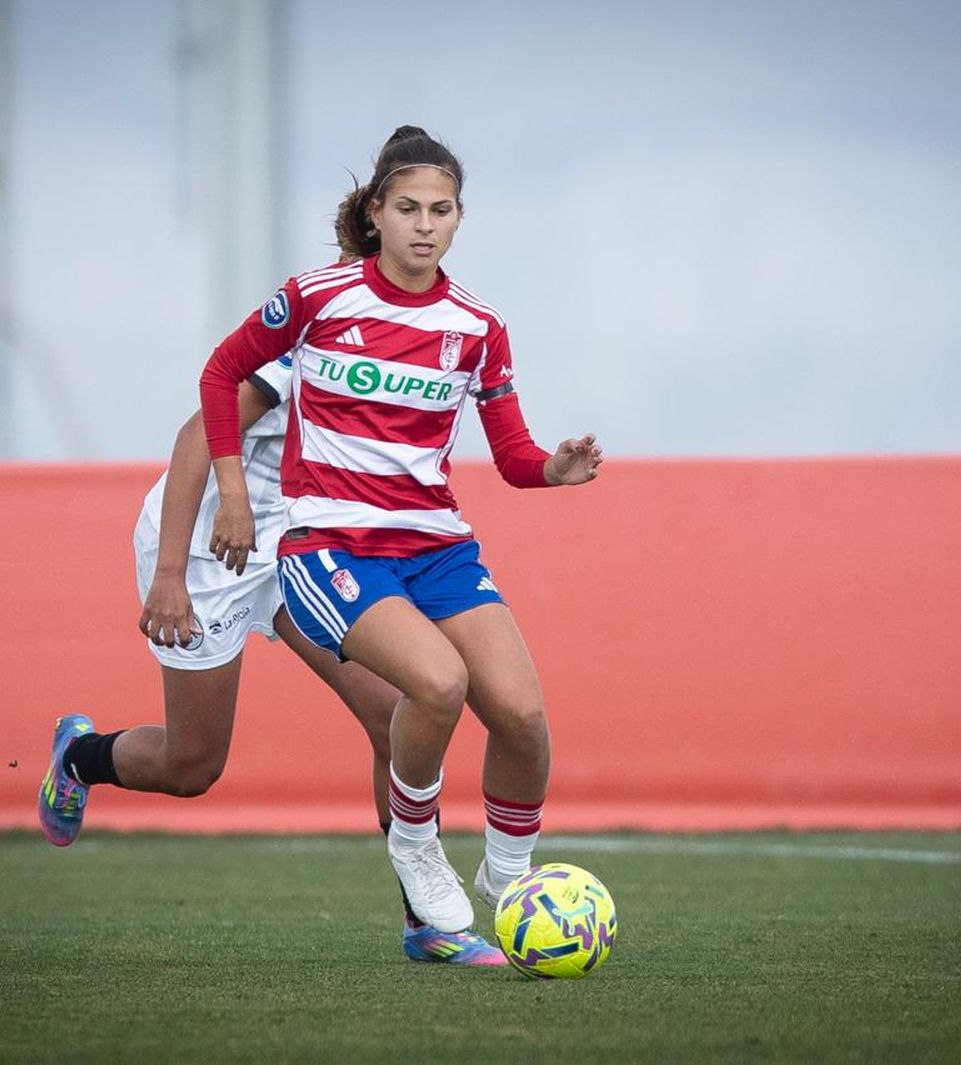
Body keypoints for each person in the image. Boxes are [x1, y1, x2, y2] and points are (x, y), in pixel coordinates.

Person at [199, 125, 603, 934]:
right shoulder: (318, 296)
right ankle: (416, 846)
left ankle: (510, 880)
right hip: (331, 548)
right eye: (409, 207)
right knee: (439, 684)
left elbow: (513, 452)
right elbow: (222, 372)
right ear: (376, 213)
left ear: (459, 220)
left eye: (442, 210)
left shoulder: (478, 327)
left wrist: (551, 470)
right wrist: (236, 494)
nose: (425, 223)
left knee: (523, 719)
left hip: (436, 547)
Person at [37, 352, 505, 966]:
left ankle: (426, 922)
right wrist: (171, 573)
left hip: (302, 545)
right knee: (192, 766)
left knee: (398, 707)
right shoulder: (310, 336)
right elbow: (197, 436)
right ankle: (77, 757)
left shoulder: (412, 340)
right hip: (208, 553)